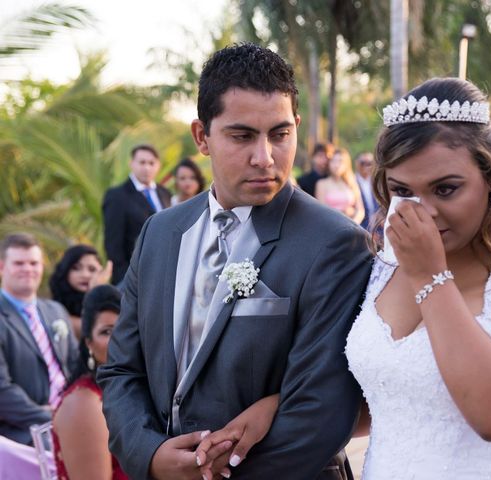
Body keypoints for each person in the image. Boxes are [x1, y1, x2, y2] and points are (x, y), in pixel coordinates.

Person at [222, 78, 491, 479]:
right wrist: (279, 408)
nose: (425, 212)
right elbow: (388, 395)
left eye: (446, 189)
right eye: (404, 190)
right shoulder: (380, 273)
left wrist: (430, 277)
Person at [97, 43, 371, 480]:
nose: (264, 157)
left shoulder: (336, 245)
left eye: (280, 135)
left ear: (297, 127)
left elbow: (323, 408)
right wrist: (149, 456)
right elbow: (122, 370)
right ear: (202, 137)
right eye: (242, 136)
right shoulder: (159, 233)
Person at [0, 233, 77, 445]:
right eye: (19, 263)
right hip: (23, 434)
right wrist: (51, 416)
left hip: (75, 419)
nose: (28, 269)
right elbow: (2, 390)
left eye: (34, 263)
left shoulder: (56, 311)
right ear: (2, 267)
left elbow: (76, 366)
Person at [52, 285, 128, 480]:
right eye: (107, 332)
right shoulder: (84, 404)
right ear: (88, 343)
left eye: (124, 329)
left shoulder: (128, 388)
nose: (118, 340)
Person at [102, 144, 172, 285]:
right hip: (132, 276)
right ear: (132, 164)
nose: (147, 168)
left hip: (164, 273)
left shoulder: (164, 193)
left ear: (158, 166)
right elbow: (113, 243)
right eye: (142, 162)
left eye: (151, 163)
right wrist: (124, 279)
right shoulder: (117, 196)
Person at [49, 245, 112, 340]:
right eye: (76, 268)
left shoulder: (112, 302)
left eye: (92, 269)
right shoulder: (53, 308)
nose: (85, 275)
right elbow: (93, 331)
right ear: (65, 271)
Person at [315, 148, 365, 224]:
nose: (337, 165)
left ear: (346, 164)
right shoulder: (321, 184)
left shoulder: (352, 183)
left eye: (340, 161)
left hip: (351, 226)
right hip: (331, 226)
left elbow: (360, 210)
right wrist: (342, 212)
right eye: (334, 161)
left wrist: (354, 223)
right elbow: (321, 211)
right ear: (329, 163)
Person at [355, 152, 379, 229]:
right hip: (360, 225)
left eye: (370, 163)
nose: (366, 166)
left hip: (379, 225)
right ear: (356, 163)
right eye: (362, 163)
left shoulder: (377, 181)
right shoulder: (352, 181)